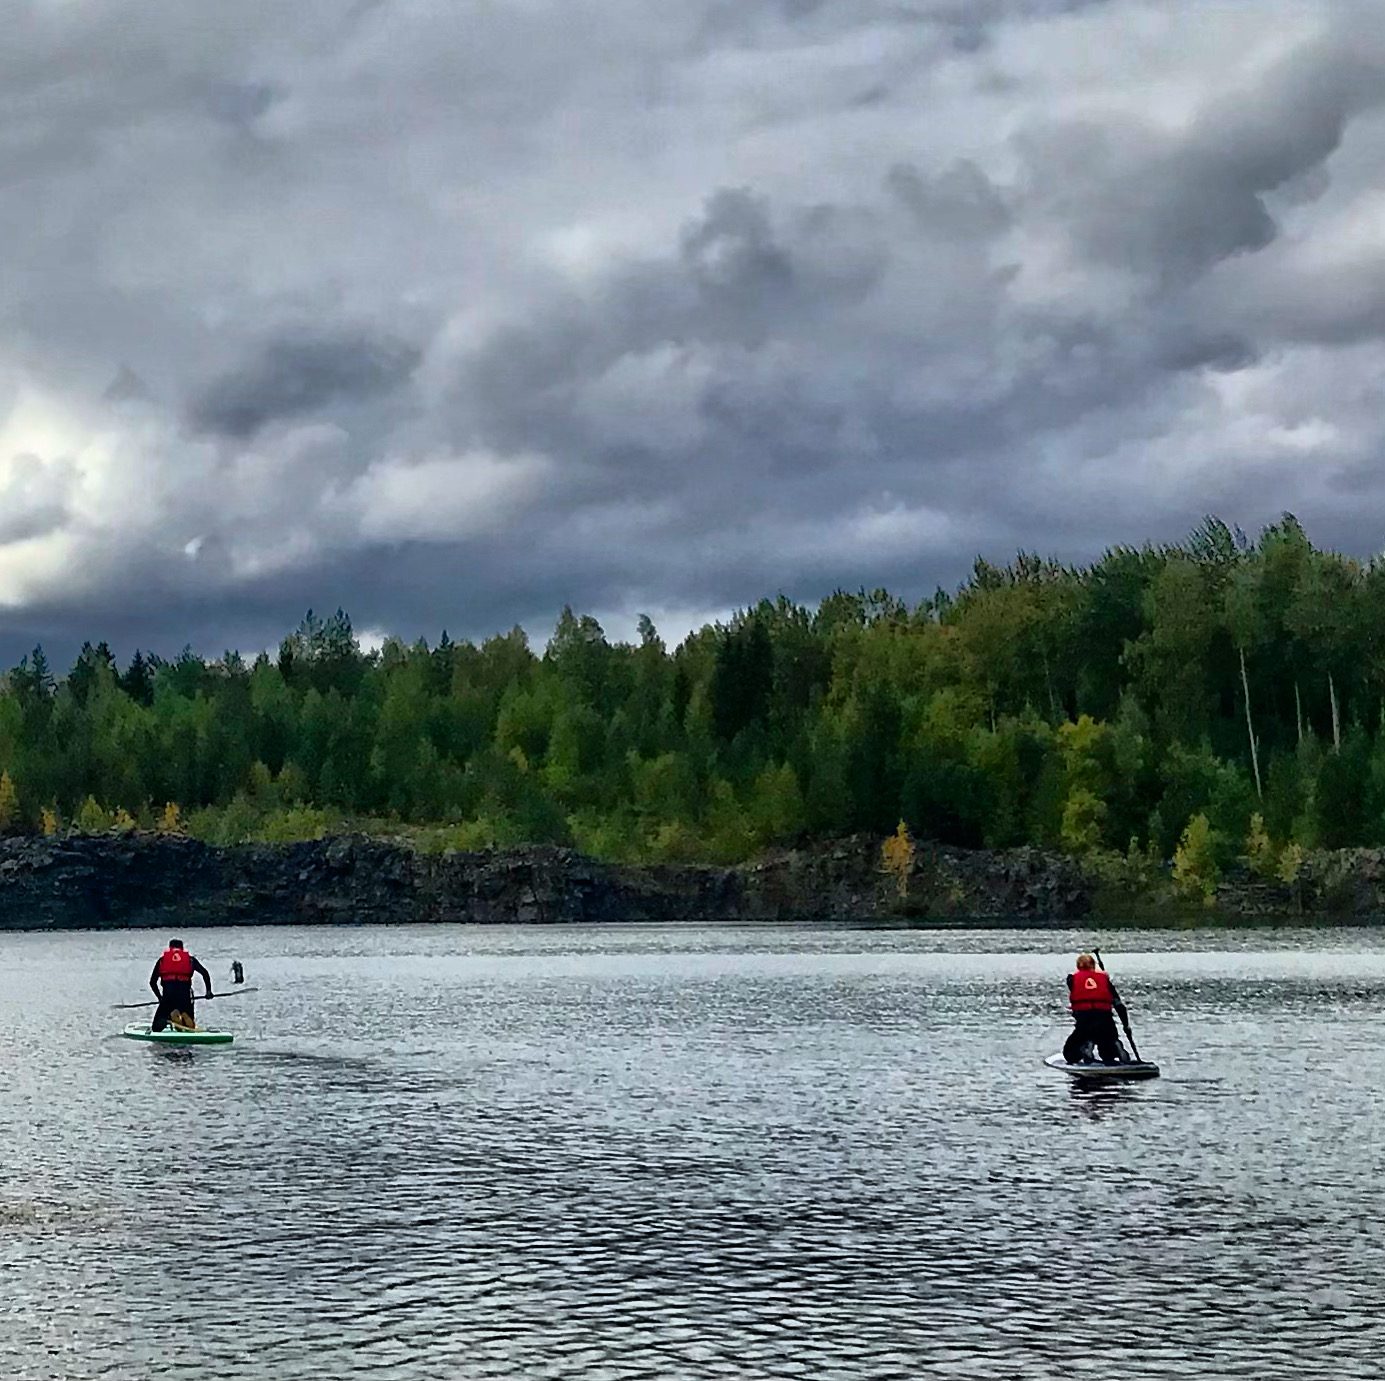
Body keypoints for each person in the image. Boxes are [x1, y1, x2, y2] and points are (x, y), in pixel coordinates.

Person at [1063, 953, 1127, 1064]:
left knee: (1070, 1055)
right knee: (1107, 1053)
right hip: (1105, 1019)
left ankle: (1088, 1044)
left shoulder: (1072, 979)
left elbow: (1079, 987)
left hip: (1085, 1020)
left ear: (1078, 966)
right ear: (1093, 965)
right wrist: (1126, 1025)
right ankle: (1115, 1045)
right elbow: (1118, 1004)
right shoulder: (1104, 979)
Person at [150, 939, 214, 1032]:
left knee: (156, 1027)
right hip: (184, 997)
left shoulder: (162, 960)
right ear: (182, 948)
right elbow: (205, 973)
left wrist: (160, 998)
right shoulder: (190, 960)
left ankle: (170, 1018)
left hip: (168, 996)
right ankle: (184, 1018)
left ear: (170, 948)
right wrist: (208, 991)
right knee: (188, 1022)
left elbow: (152, 982)